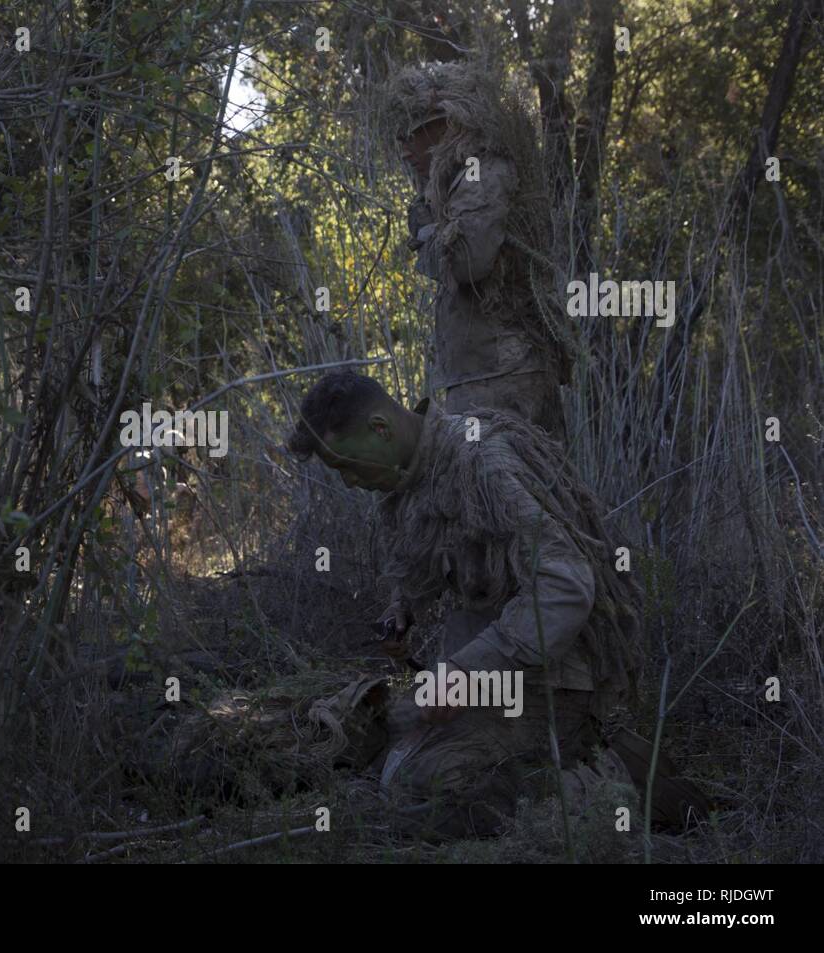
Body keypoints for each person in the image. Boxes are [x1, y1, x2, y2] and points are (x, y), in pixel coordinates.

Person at [289, 371, 643, 838]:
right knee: (361, 740)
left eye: (347, 466)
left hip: (553, 680)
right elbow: (425, 564)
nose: (351, 482)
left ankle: (602, 783)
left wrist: (464, 670)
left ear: (380, 429)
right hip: (489, 677)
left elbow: (566, 587)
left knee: (425, 788)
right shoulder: (412, 479)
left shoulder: (484, 461)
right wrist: (401, 614)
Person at [391, 61, 570, 442]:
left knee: (510, 491)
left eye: (409, 133)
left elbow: (468, 260)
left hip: (502, 377)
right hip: (483, 374)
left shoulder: (481, 170)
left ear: (446, 124)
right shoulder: (455, 181)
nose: (404, 150)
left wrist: (425, 230)